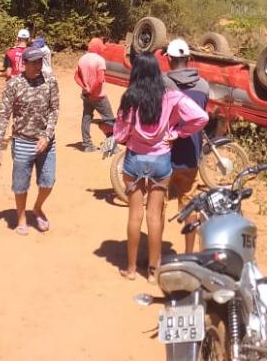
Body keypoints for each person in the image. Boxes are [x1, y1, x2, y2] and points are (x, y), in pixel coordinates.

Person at [112, 51, 208, 281]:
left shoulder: (129, 98)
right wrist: (177, 132)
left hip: (134, 159)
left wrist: (129, 136)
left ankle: (132, 268)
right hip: (161, 160)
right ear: (157, 71)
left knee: (135, 215)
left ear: (135, 72)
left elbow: (119, 134)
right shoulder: (170, 96)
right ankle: (154, 272)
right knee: (154, 215)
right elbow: (201, 118)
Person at [0, 46, 59, 235]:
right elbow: (4, 116)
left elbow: (54, 110)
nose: (38, 65)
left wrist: (47, 135)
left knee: (48, 182)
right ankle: (21, 217)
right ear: (25, 64)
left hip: (46, 142)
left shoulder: (50, 81)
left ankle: (37, 208)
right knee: (20, 185)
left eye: (40, 61)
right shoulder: (14, 85)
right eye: (34, 62)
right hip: (22, 141)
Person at [164, 39, 211, 253]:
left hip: (164, 154)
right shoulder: (203, 85)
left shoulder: (163, 83)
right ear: (188, 59)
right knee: (190, 204)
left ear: (169, 60)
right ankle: (189, 254)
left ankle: (154, 256)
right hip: (191, 156)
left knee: (158, 204)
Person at [75, 37, 115, 151]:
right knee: (109, 119)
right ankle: (111, 146)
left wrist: (84, 87)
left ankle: (87, 145)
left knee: (86, 118)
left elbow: (76, 76)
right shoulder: (99, 60)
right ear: (98, 48)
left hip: (86, 95)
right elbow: (100, 79)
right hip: (98, 96)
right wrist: (92, 90)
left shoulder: (81, 59)